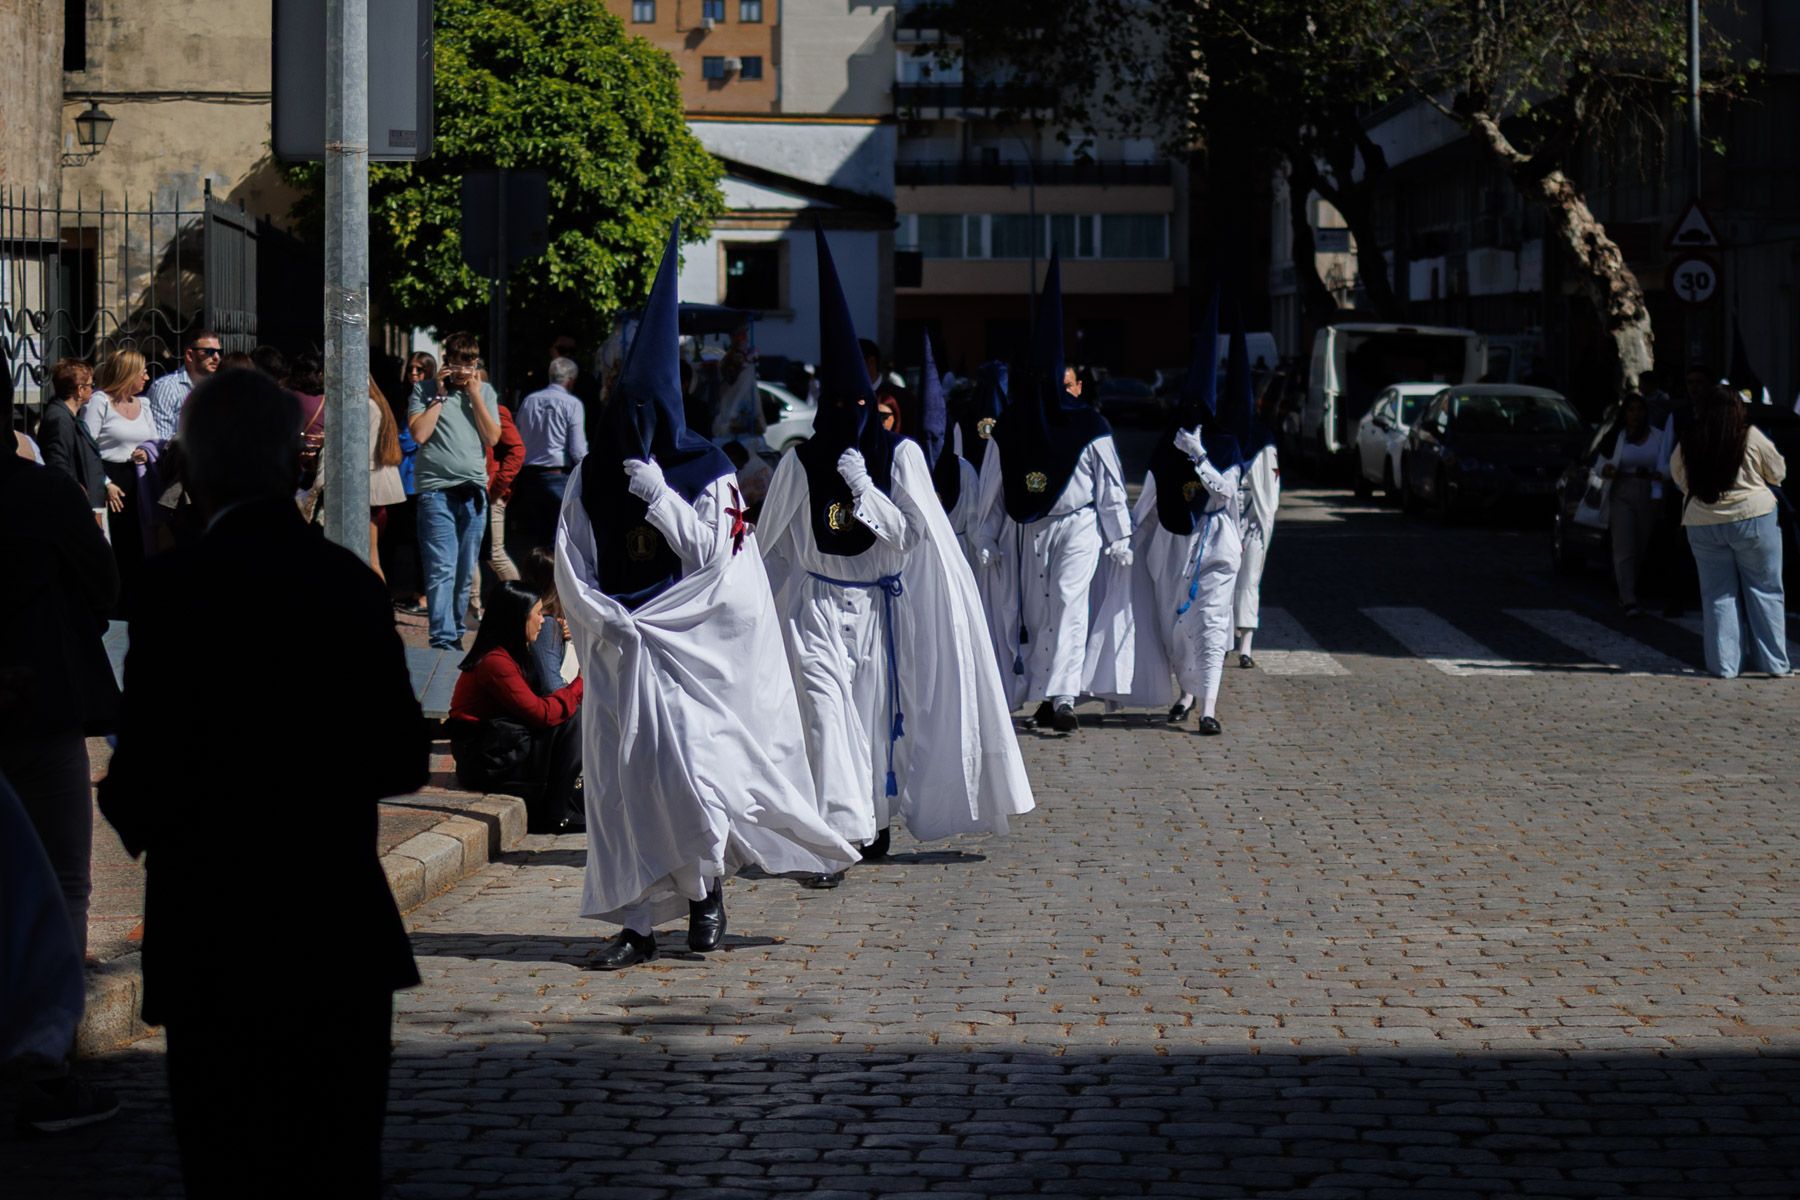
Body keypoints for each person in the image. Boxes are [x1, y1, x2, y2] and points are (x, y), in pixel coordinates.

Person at [97, 368, 427, 1196]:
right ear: (293, 462)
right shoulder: (348, 585)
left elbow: (134, 786)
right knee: (336, 1162)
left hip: (213, 935)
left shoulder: (174, 596)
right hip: (334, 930)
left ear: (192, 468)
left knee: (225, 1164)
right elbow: (402, 757)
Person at [555, 222, 859, 967]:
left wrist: (662, 500)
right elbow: (573, 562)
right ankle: (635, 923)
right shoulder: (590, 476)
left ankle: (704, 894)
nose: (636, 428)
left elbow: (719, 560)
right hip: (626, 650)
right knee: (626, 790)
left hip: (691, 652)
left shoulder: (706, 469)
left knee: (692, 777)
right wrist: (603, 619)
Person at [759, 225, 1033, 885]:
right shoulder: (800, 463)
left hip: (878, 610)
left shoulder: (900, 457)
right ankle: (835, 838)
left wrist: (863, 489)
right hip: (820, 606)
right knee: (827, 720)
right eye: (843, 403)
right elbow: (771, 540)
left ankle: (874, 821)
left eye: (865, 403)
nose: (854, 413)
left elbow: (909, 535)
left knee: (872, 723)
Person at [0, 367, 122, 1133]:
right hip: (36, 708)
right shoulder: (43, 494)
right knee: (62, 877)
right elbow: (106, 588)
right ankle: (46, 1054)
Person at [971, 253, 1134, 733]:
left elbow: (1109, 485)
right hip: (1029, 529)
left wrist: (1119, 535)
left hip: (1077, 524)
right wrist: (986, 533)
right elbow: (993, 489)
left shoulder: (1090, 425)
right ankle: (1043, 693)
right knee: (1035, 611)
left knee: (1067, 600)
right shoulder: (1011, 429)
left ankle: (1062, 696)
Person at [1092, 292, 1242, 735]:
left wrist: (1200, 458)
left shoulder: (1225, 445)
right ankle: (1186, 691)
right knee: (1175, 629)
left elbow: (1227, 491)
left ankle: (1208, 708)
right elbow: (1148, 505)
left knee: (1211, 626)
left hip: (1215, 546)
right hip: (1171, 550)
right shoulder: (1165, 449)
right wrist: (1121, 537)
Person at [1669, 385, 1789, 679]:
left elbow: (1678, 475)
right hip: (1753, 517)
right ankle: (1774, 664)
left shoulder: (1691, 439)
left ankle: (1725, 665)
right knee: (1764, 589)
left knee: (1717, 594)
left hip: (1702, 521)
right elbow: (1778, 471)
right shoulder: (1749, 435)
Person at [446, 580, 585, 834]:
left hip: (504, 744)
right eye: (538, 614)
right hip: (486, 758)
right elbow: (541, 714)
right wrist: (579, 685)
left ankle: (568, 800)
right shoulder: (494, 662)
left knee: (571, 714)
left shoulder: (512, 655)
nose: (543, 621)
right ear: (518, 618)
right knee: (572, 719)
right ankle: (555, 812)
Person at [408, 331, 501, 649]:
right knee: (441, 567)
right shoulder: (424, 390)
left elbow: (492, 438)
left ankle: (456, 630)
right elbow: (419, 434)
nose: (463, 368)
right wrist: (439, 396)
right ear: (446, 361)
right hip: (436, 492)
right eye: (458, 361)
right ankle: (443, 637)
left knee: (465, 569)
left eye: (470, 362)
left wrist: (475, 395)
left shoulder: (485, 391)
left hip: (473, 491)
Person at [84, 348, 155, 612]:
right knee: (116, 543)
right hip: (111, 480)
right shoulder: (100, 402)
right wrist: (104, 483)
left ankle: (137, 598)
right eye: (142, 372)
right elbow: (88, 446)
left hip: (139, 478)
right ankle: (115, 600)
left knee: (139, 540)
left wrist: (145, 451)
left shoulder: (144, 404)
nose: (147, 377)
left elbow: (154, 439)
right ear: (128, 374)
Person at [1231, 331, 1281, 668]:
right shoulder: (1221, 438)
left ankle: (1245, 645)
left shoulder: (1264, 441)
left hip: (1251, 521)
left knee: (1248, 581)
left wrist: (1262, 523)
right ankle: (1218, 641)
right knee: (1221, 584)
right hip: (1224, 521)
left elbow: (1270, 489)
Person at [510, 355, 588, 564]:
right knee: (559, 538)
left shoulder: (529, 401)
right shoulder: (572, 404)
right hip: (558, 475)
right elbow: (578, 449)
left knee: (537, 538)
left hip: (530, 476)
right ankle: (554, 588)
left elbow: (520, 437)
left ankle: (538, 583)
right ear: (571, 380)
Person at [1598, 392, 1665, 616]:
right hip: (1622, 491)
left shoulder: (1658, 437)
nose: (1635, 414)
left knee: (1640, 544)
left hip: (1648, 492)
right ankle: (1627, 597)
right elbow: (1601, 465)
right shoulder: (1617, 436)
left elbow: (1666, 467)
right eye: (1631, 410)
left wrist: (1658, 486)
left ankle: (1632, 585)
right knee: (1623, 544)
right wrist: (1607, 470)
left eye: (1639, 409)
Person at [38, 358, 109, 532]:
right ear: (80, 390)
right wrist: (78, 495)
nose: (93, 389)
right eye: (91, 385)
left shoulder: (68, 415)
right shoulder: (60, 418)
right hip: (77, 506)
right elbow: (58, 462)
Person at [480, 376, 526, 606]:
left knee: (495, 554)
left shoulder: (497, 411)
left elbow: (517, 451)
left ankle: (522, 607)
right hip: (472, 489)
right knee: (469, 556)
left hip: (490, 494)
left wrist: (497, 487)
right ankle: (473, 609)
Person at [145, 328, 223, 440]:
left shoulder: (218, 388)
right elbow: (161, 440)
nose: (216, 357)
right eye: (208, 352)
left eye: (219, 352)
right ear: (190, 355)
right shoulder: (167, 388)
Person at [369, 377, 406, 582]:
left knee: (371, 560)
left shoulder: (367, 406)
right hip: (374, 493)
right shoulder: (378, 404)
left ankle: (379, 608)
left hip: (368, 493)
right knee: (372, 558)